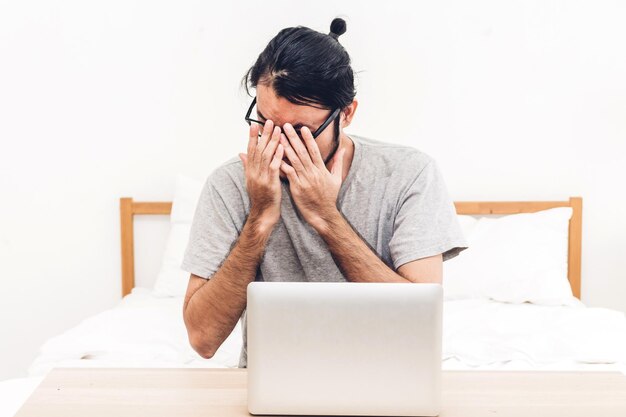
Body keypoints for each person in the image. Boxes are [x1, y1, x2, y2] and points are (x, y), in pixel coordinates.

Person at [181, 17, 468, 368]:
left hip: (390, 379)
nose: (277, 143)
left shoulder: (409, 174)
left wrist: (327, 217)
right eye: (265, 122)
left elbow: (420, 323)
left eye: (300, 131)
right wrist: (258, 220)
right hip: (273, 383)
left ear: (346, 114)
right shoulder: (229, 184)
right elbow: (202, 340)